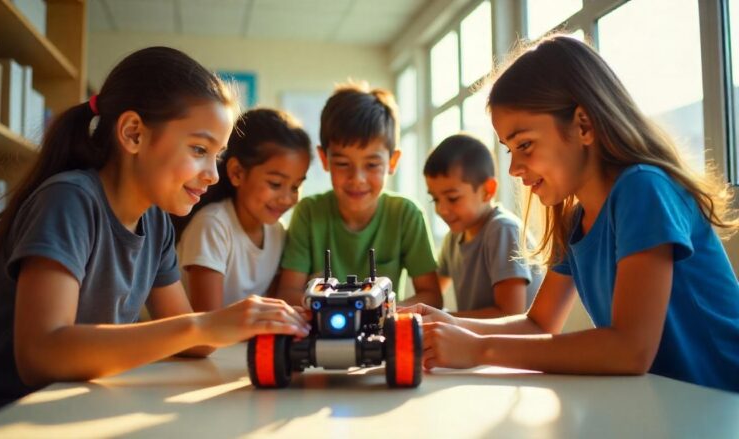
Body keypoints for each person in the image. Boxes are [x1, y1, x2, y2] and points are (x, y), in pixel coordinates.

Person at [0, 47, 309, 417]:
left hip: (68, 408)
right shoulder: (69, 200)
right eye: (199, 149)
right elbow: (40, 355)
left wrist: (248, 320)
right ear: (133, 133)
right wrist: (204, 325)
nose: (213, 175)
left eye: (218, 155)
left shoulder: (155, 222)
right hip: (0, 415)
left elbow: (194, 342)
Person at [405, 34, 739, 392]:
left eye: (525, 145)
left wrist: (479, 348)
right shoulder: (575, 221)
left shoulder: (643, 188)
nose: (514, 168)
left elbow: (630, 349)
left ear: (583, 124)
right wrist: (451, 327)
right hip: (669, 403)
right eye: (509, 150)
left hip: (722, 402)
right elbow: (539, 323)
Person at [276, 82, 441, 306]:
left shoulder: (406, 214)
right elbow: (287, 292)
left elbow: (431, 296)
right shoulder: (309, 212)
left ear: (392, 161)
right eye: (343, 164)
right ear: (324, 159)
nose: (357, 179)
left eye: (372, 165)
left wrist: (379, 312)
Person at [176, 108, 312, 311]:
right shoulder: (213, 225)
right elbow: (207, 323)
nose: (287, 198)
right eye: (275, 184)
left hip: (237, 343)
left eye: (295, 186)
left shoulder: (277, 233)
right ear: (237, 172)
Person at [424, 133, 543, 318]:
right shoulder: (453, 238)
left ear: (488, 191)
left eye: (452, 198)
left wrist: (446, 319)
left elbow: (510, 314)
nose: (442, 209)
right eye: (435, 199)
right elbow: (432, 294)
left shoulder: (502, 230)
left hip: (517, 345)